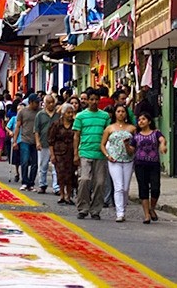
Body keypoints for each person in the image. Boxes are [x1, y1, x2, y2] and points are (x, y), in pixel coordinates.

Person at [73, 88, 110, 220]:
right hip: (85, 152)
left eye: (96, 100)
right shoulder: (80, 116)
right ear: (87, 101)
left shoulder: (105, 116)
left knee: (99, 183)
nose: (94, 102)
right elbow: (76, 136)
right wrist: (75, 154)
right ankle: (83, 208)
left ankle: (95, 210)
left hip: (100, 154)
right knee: (84, 180)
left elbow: (108, 134)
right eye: (91, 99)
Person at [101, 104, 136, 222]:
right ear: (115, 113)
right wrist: (107, 155)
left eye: (123, 111)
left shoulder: (131, 128)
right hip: (114, 160)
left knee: (125, 188)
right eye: (118, 111)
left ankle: (123, 207)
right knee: (118, 187)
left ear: (126, 114)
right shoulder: (109, 128)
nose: (120, 113)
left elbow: (136, 144)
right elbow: (102, 144)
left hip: (128, 160)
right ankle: (119, 212)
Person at [130, 112, 167, 224]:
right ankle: (146, 214)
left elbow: (162, 140)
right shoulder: (136, 136)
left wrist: (162, 145)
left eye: (144, 119)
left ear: (149, 121)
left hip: (154, 165)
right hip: (140, 165)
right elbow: (131, 150)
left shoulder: (156, 133)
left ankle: (152, 208)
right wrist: (127, 146)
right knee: (143, 188)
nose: (141, 121)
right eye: (139, 119)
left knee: (156, 188)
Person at [49, 103, 77, 205]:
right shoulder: (56, 124)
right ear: (63, 113)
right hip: (59, 152)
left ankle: (68, 196)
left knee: (70, 175)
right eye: (68, 112)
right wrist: (52, 154)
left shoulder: (75, 124)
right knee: (60, 174)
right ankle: (61, 194)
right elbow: (51, 140)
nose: (70, 115)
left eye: (72, 112)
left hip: (71, 152)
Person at [14, 94, 40, 191]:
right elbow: (17, 126)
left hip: (36, 141)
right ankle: (25, 181)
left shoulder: (40, 112)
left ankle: (31, 183)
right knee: (24, 161)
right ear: (30, 102)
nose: (38, 104)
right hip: (25, 139)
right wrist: (15, 141)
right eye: (36, 102)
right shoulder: (22, 112)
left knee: (35, 163)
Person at [35, 95, 60, 194]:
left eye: (52, 102)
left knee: (56, 166)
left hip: (56, 144)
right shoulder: (40, 115)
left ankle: (56, 187)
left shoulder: (58, 115)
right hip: (44, 143)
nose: (51, 104)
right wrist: (37, 142)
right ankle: (42, 184)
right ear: (44, 104)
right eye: (48, 102)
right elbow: (36, 130)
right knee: (43, 165)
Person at [6, 102, 23, 183]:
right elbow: (7, 127)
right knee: (16, 159)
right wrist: (10, 132)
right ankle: (17, 173)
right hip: (15, 140)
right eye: (18, 110)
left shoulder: (26, 119)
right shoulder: (13, 118)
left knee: (24, 159)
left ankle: (24, 174)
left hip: (24, 140)